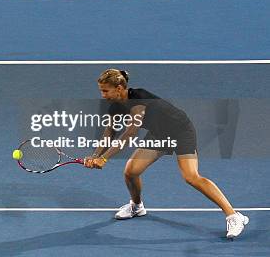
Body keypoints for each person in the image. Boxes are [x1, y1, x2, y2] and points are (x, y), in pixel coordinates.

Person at [85, 69, 248, 239]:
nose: (103, 95)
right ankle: (137, 206)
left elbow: (130, 132)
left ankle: (234, 216)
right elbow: (109, 132)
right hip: (159, 134)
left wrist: (104, 158)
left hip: (181, 131)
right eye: (101, 91)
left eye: (105, 90)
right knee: (131, 171)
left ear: (119, 88)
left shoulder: (139, 97)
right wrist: (95, 155)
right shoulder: (115, 107)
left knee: (191, 176)